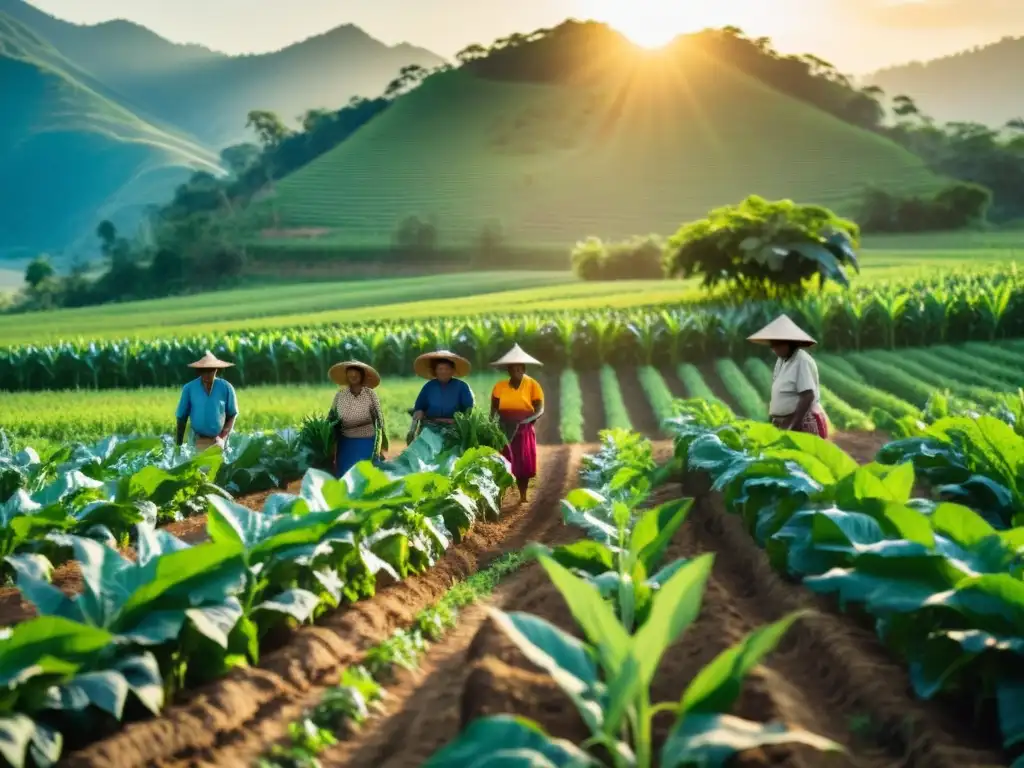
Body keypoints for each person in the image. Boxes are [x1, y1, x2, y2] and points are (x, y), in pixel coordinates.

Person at [747, 314, 829, 439]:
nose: (774, 348)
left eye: (778, 344)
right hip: (783, 422)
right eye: (772, 344)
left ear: (790, 343)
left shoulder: (801, 360)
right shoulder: (781, 361)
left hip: (800, 423)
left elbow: (808, 395)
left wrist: (792, 425)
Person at [490, 344, 545, 505]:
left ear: (523, 369)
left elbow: (540, 409)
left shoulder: (533, 385)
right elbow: (493, 408)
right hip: (503, 427)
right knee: (502, 462)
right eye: (511, 369)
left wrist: (527, 421)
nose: (515, 372)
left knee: (522, 463)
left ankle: (522, 495)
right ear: (507, 371)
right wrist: (491, 423)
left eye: (518, 369)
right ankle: (499, 496)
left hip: (523, 429)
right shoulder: (499, 386)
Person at [328, 360, 389, 477]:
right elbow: (331, 417)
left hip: (366, 440)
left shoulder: (370, 395)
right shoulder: (340, 395)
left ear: (362, 376)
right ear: (347, 377)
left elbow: (379, 420)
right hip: (345, 441)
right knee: (345, 474)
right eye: (350, 375)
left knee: (364, 474)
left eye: (356, 375)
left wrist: (380, 445)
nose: (353, 377)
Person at [175, 351, 239, 451]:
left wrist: (222, 437)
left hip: (219, 440)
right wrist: (178, 446)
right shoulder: (189, 388)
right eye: (203, 371)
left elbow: (232, 414)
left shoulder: (226, 387)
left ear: (216, 370)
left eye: (210, 371)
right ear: (199, 372)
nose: (207, 374)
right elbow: (181, 418)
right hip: (197, 439)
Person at [409, 350, 475, 440]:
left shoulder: (462, 387)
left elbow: (468, 410)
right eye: (440, 369)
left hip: (454, 428)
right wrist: (419, 411)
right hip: (430, 426)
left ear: (452, 371)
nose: (443, 372)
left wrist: (457, 421)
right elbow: (419, 406)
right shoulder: (429, 386)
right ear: (435, 371)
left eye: (447, 369)